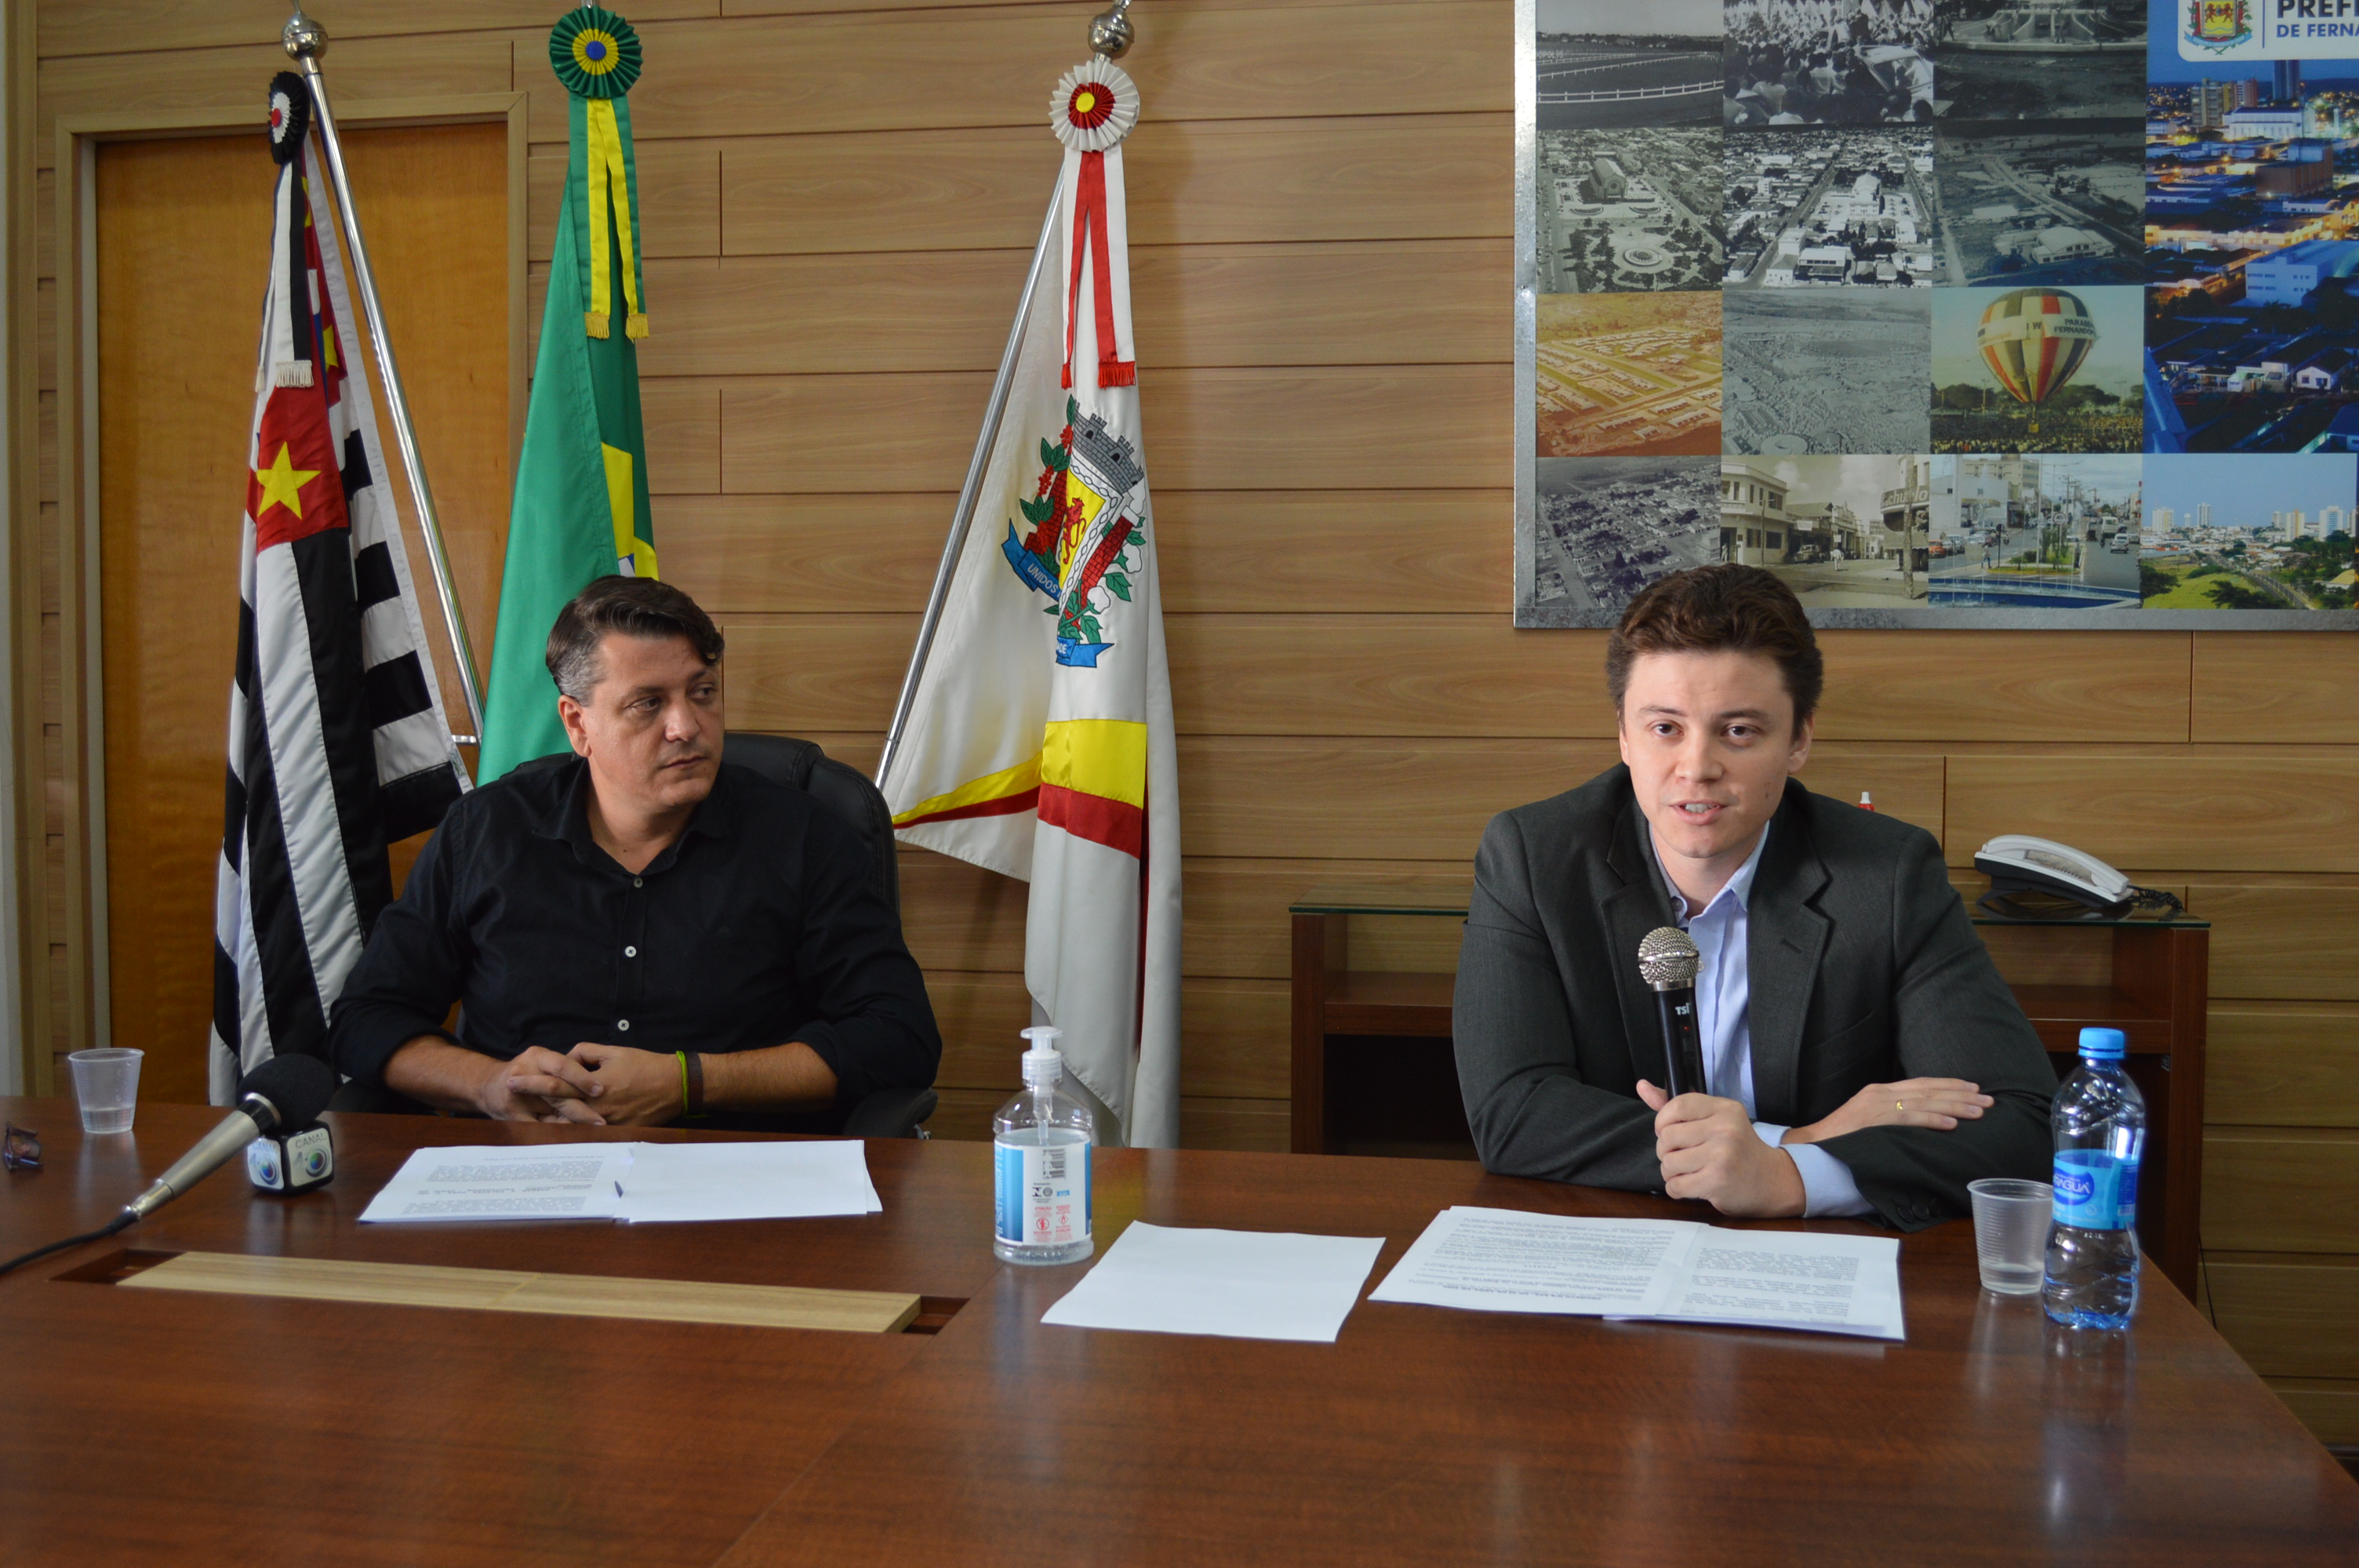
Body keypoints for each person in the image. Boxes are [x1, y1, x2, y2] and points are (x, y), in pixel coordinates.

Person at [1452, 564, 2052, 1229]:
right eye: (1665, 728)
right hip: (1619, 1244)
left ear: (1799, 740)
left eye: (1738, 730)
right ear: (1623, 735)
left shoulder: (1887, 874)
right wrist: (1791, 1148)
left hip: (1818, 1259)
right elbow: (1512, 1113)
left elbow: (2023, 1125)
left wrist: (1790, 1181)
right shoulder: (1533, 858)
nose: (1697, 768)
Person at [329, 575, 940, 1129]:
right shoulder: (484, 832)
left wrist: (689, 1082)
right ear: (578, 725)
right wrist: (488, 1085)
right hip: (526, 1175)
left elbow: (899, 1036)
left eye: (702, 692)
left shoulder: (803, 836)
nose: (687, 726)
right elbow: (367, 1018)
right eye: (648, 703)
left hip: (733, 1177)